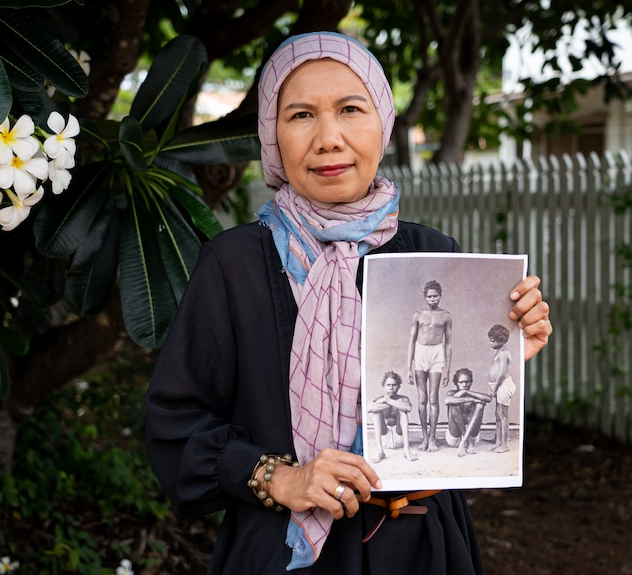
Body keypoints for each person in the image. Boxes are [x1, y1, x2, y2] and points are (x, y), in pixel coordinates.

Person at [145, 31, 552, 575]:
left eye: (350, 109)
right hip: (283, 552)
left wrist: (505, 349)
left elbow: (460, 425)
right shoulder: (234, 263)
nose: (329, 138)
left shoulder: (433, 254)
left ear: (382, 122)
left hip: (421, 547)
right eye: (300, 115)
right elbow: (176, 421)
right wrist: (281, 478)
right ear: (272, 136)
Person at [406, 280, 452, 453]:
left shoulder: (446, 316)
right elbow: (411, 341)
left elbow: (448, 344)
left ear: (440, 296)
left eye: (435, 296)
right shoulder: (418, 315)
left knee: (433, 398)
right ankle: (424, 437)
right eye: (429, 296)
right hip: (420, 352)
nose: (433, 299)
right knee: (422, 399)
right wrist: (408, 367)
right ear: (425, 297)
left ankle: (433, 438)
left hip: (436, 353)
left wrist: (447, 369)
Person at [367, 371, 417, 463]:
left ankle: (406, 449)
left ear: (399, 386)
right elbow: (369, 408)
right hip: (384, 437)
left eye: (394, 385)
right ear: (384, 386)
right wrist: (390, 402)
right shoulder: (379, 397)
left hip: (399, 436)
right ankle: (380, 450)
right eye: (388, 385)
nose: (391, 388)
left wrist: (387, 400)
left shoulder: (403, 398)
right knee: (376, 411)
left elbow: (408, 408)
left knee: (402, 410)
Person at [444, 368, 492, 457]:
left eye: (467, 382)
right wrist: (472, 399)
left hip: (472, 434)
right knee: (455, 404)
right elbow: (447, 400)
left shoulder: (472, 393)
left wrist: (466, 392)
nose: (464, 384)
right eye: (461, 382)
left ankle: (465, 440)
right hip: (455, 436)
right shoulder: (452, 393)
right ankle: (467, 441)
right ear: (456, 383)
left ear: (471, 382)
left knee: (480, 405)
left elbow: (488, 398)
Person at [487, 324, 516, 453]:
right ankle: (498, 441)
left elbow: (502, 373)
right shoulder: (498, 352)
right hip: (498, 385)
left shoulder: (504, 353)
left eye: (492, 341)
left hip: (504, 384)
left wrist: (495, 388)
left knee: (503, 416)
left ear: (501, 340)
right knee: (497, 415)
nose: (490, 343)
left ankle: (505, 445)